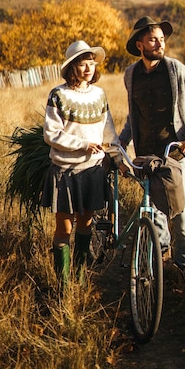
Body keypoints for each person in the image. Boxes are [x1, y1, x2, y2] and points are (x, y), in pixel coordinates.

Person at [119, 16, 185, 277]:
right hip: (146, 156)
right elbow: (133, 116)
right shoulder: (130, 75)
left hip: (175, 155)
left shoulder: (179, 71)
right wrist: (121, 142)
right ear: (139, 45)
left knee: (180, 214)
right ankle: (162, 261)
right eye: (153, 39)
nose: (160, 44)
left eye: (162, 39)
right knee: (155, 213)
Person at [41, 40, 121, 289]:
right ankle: (63, 284)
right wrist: (82, 144)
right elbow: (51, 134)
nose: (88, 68)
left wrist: (118, 154)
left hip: (93, 171)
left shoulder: (99, 95)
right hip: (66, 171)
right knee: (64, 227)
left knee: (86, 223)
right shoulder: (59, 95)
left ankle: (79, 273)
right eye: (82, 63)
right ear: (71, 67)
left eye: (91, 63)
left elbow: (108, 131)